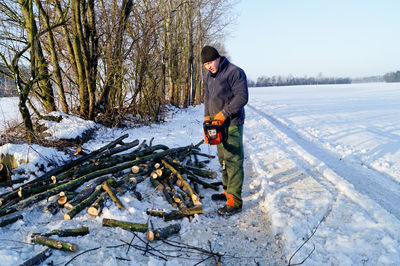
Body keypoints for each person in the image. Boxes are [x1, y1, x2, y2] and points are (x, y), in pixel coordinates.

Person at [201, 45, 249, 216]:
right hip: (216, 125)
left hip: (232, 123)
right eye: (205, 64)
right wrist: (207, 116)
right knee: (222, 159)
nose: (209, 66)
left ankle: (234, 201)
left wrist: (224, 114)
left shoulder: (234, 72)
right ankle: (227, 191)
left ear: (218, 58)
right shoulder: (209, 76)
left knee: (233, 160)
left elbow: (242, 97)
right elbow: (207, 97)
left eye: (211, 62)